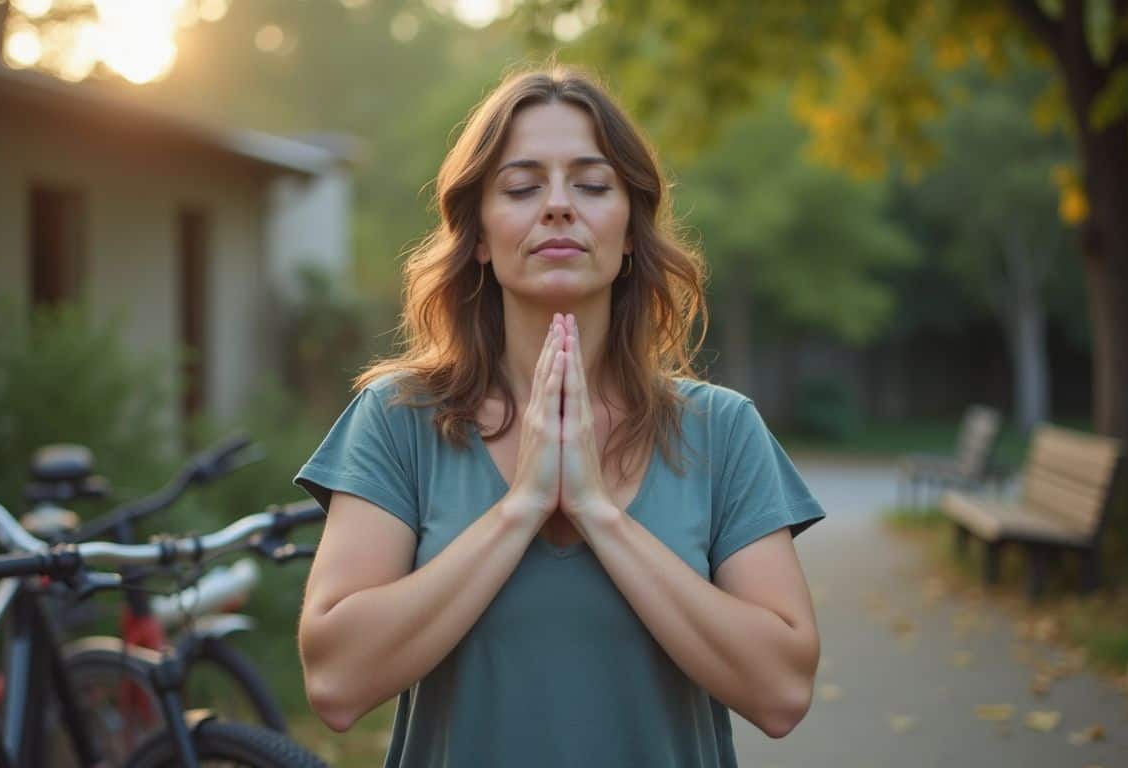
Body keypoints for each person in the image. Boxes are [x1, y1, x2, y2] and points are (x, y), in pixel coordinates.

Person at [293, 65, 826, 767]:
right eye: (521, 187)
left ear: (631, 230)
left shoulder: (722, 430)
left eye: (592, 185)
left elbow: (782, 692)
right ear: (479, 236)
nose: (557, 206)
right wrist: (521, 507)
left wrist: (601, 514)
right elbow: (336, 683)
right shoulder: (398, 420)